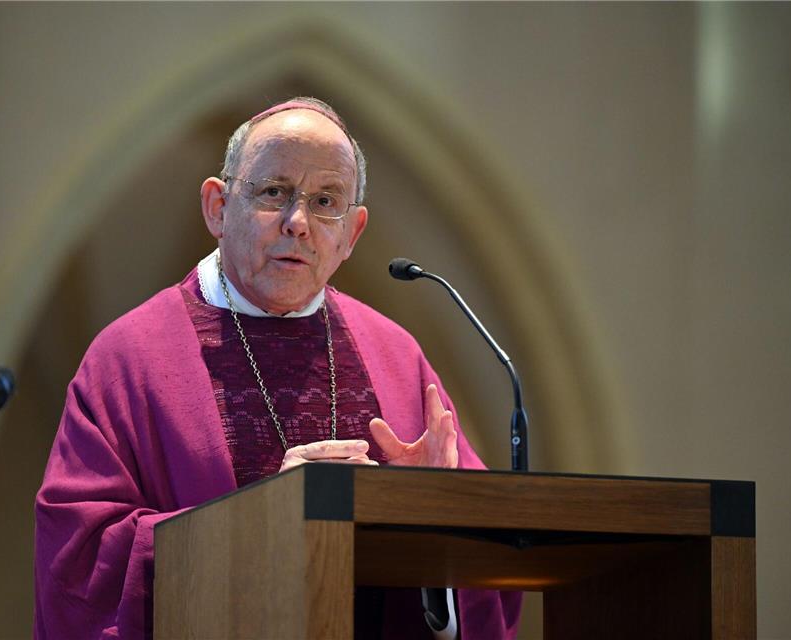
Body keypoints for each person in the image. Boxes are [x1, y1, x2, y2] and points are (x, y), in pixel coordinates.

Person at [34, 97, 522, 639]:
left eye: (326, 201)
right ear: (218, 207)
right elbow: (80, 561)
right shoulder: (129, 358)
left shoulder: (396, 354)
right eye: (274, 193)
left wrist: (435, 515)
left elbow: (487, 576)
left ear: (352, 234)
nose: (299, 224)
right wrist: (261, 521)